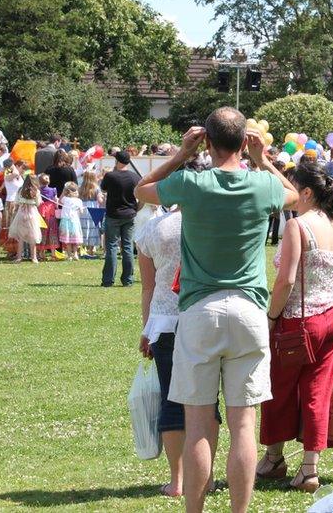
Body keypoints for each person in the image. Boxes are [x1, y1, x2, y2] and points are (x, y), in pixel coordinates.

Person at [134, 107, 298, 513]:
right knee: (244, 425)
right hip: (248, 310)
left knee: (198, 425)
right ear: (245, 142)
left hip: (199, 310)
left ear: (205, 141)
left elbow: (141, 190)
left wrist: (178, 155)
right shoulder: (262, 185)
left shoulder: (191, 183)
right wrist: (263, 160)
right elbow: (294, 196)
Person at [258, 162, 333, 493]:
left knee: (277, 390)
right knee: (317, 393)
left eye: (293, 188)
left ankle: (273, 457)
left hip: (299, 319)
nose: (288, 194)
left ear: (307, 193)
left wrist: (270, 317)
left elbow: (286, 280)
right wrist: (264, 161)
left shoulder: (297, 227)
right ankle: (309, 468)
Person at [135, 206, 222, 498]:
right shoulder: (213, 221)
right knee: (208, 400)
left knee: (172, 400)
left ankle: (178, 480)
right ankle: (206, 478)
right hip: (206, 317)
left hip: (165, 319)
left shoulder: (153, 228)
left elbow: (148, 287)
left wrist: (147, 328)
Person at [100, 151, 139, 287]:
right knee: (127, 247)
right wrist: (136, 209)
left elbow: (103, 189)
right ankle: (128, 279)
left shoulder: (110, 176)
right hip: (129, 214)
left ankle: (108, 280)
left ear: (117, 161)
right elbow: (141, 195)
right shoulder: (135, 177)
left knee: (111, 247)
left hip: (113, 214)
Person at [8, 174, 42, 263]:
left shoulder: (20, 190)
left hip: (21, 213)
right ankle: (33, 257)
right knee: (33, 236)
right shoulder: (36, 191)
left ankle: (19, 257)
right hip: (32, 214)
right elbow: (38, 203)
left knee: (21, 236)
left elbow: (17, 201)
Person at [79, 169, 104, 257]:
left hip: (83, 209)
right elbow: (100, 201)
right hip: (93, 208)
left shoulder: (80, 188)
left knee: (83, 228)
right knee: (93, 228)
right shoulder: (96, 188)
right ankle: (91, 250)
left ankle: (81, 248)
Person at [58, 182, 84, 261]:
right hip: (75, 221)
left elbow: (59, 201)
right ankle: (75, 254)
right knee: (75, 238)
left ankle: (69, 255)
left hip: (66, 221)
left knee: (68, 239)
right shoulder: (79, 201)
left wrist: (63, 191)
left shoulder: (65, 199)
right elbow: (81, 212)